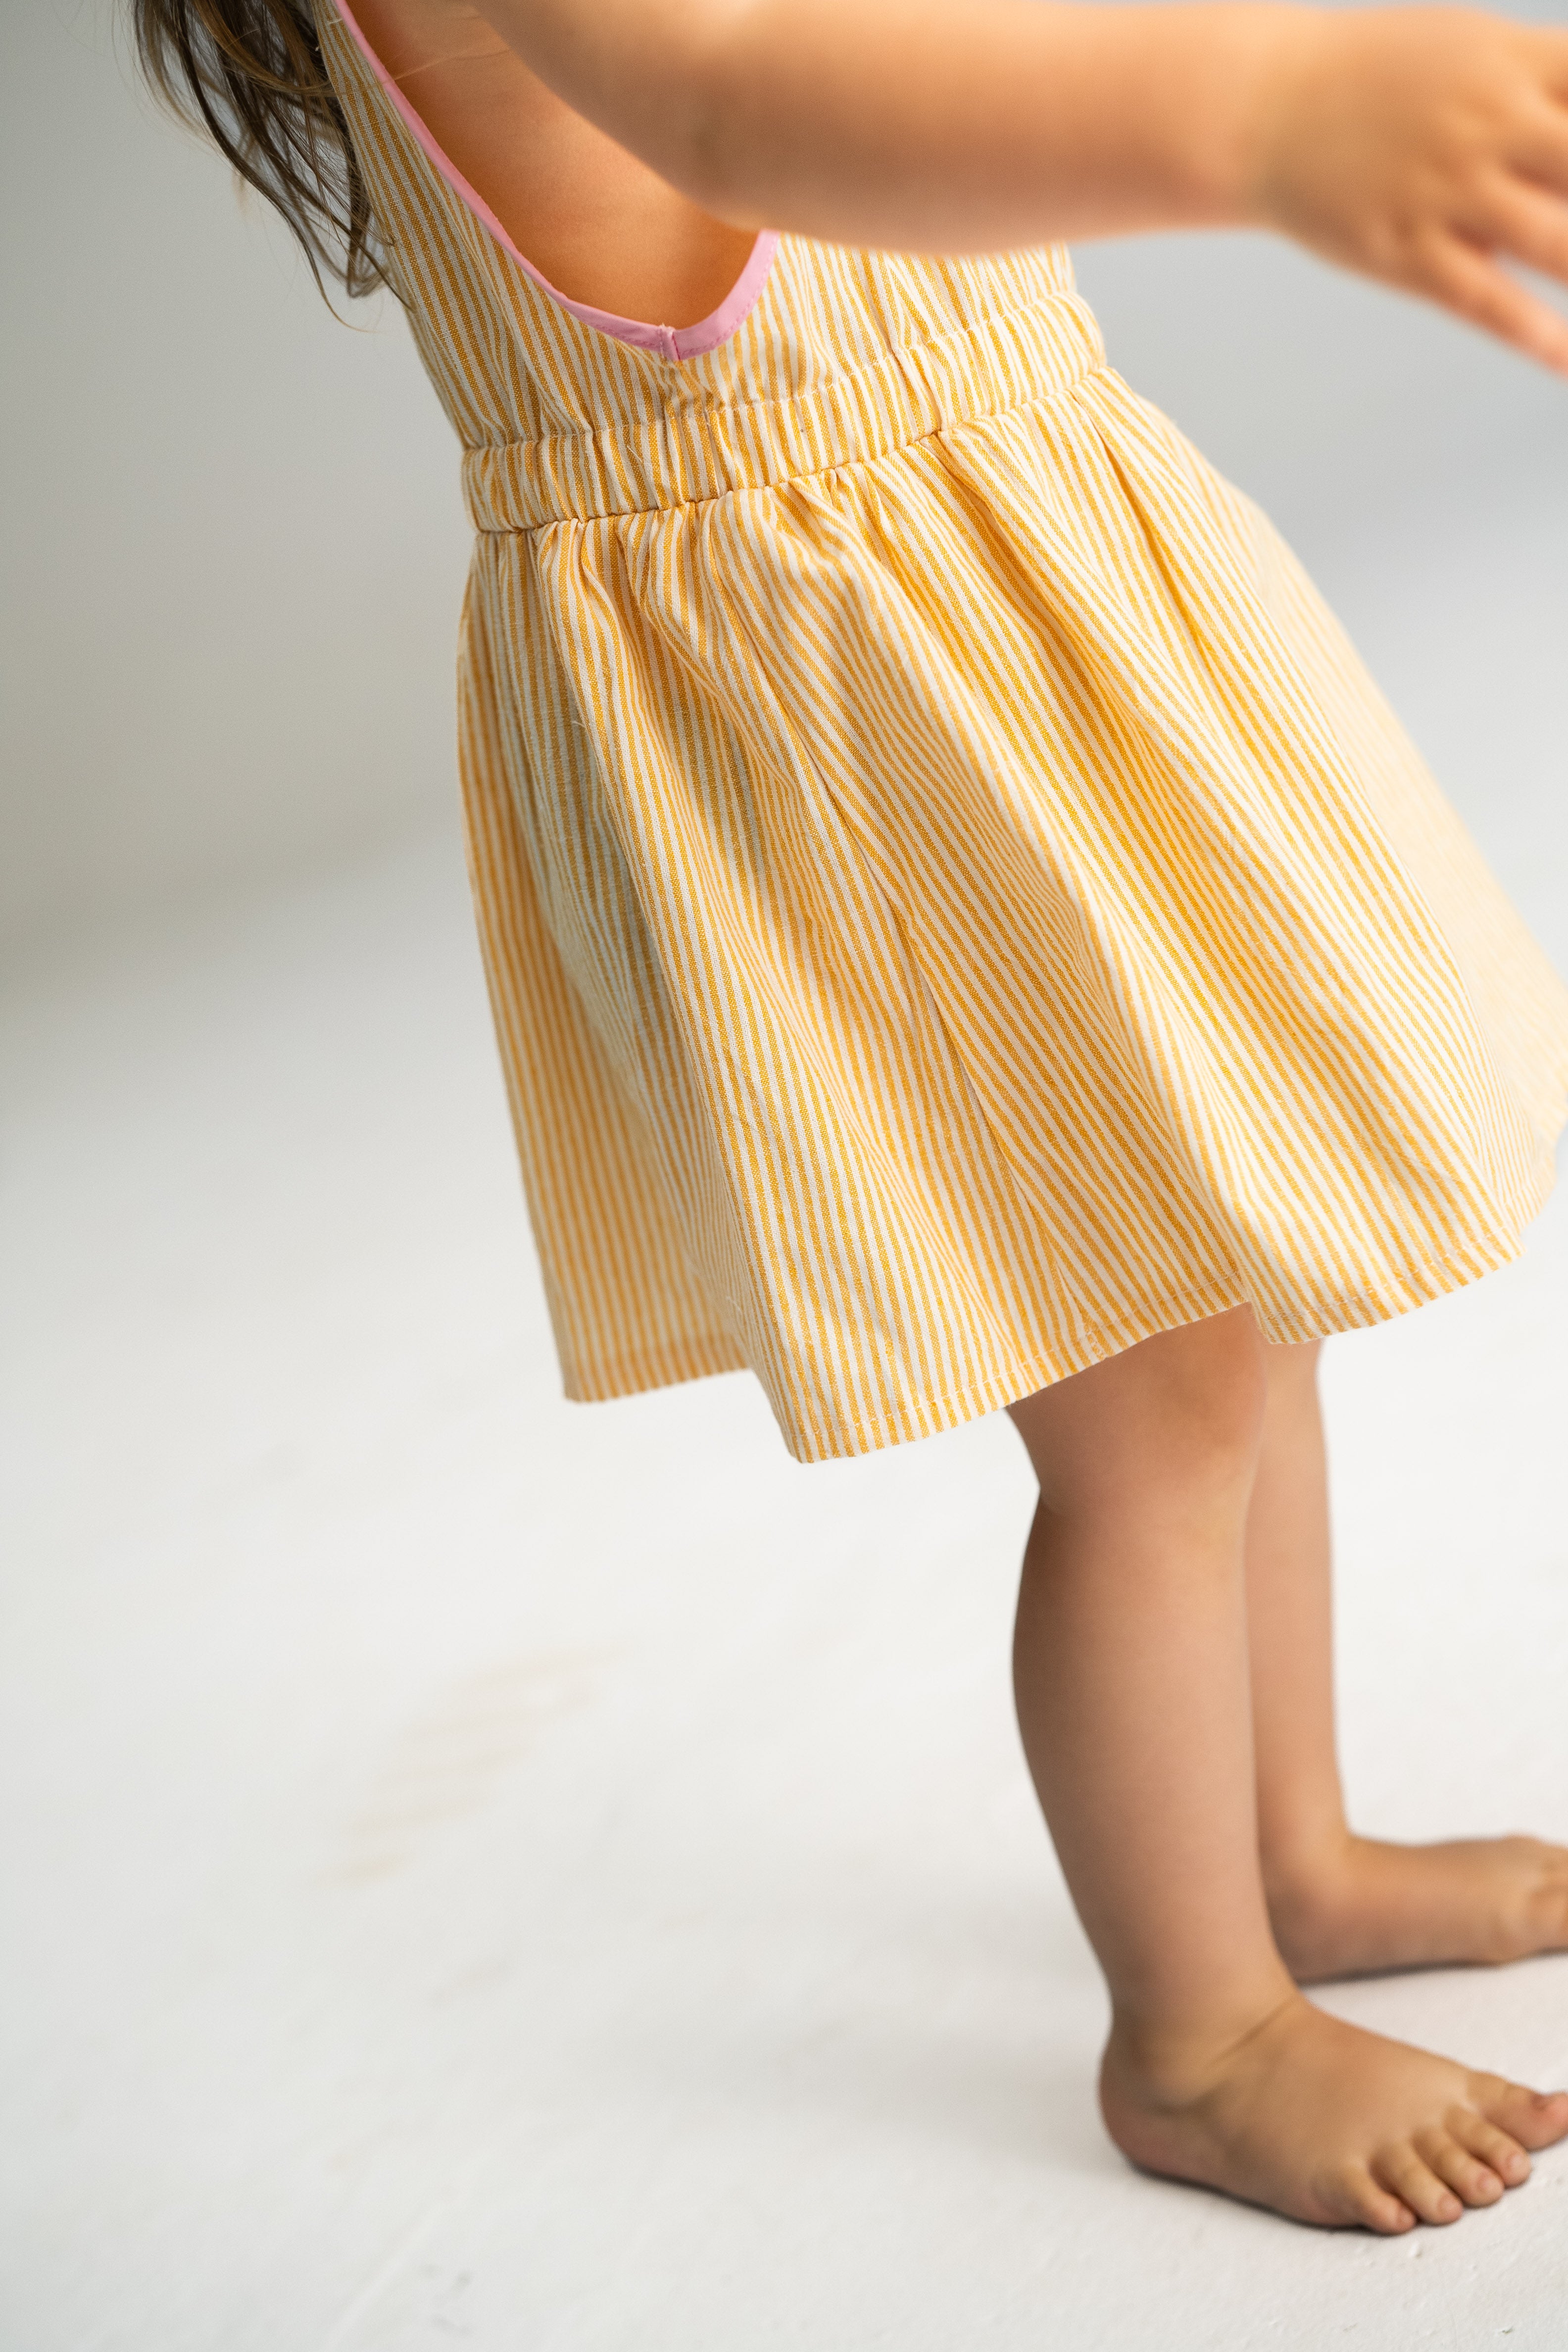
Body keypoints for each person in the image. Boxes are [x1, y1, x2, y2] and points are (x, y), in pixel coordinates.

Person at [131, 0, 1568, 2232]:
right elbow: (740, 94)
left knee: (1249, 1270)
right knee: (1153, 1407)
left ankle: (1293, 1848)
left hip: (994, 594)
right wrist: (1272, 111)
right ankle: (1199, 2035)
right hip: (856, 687)